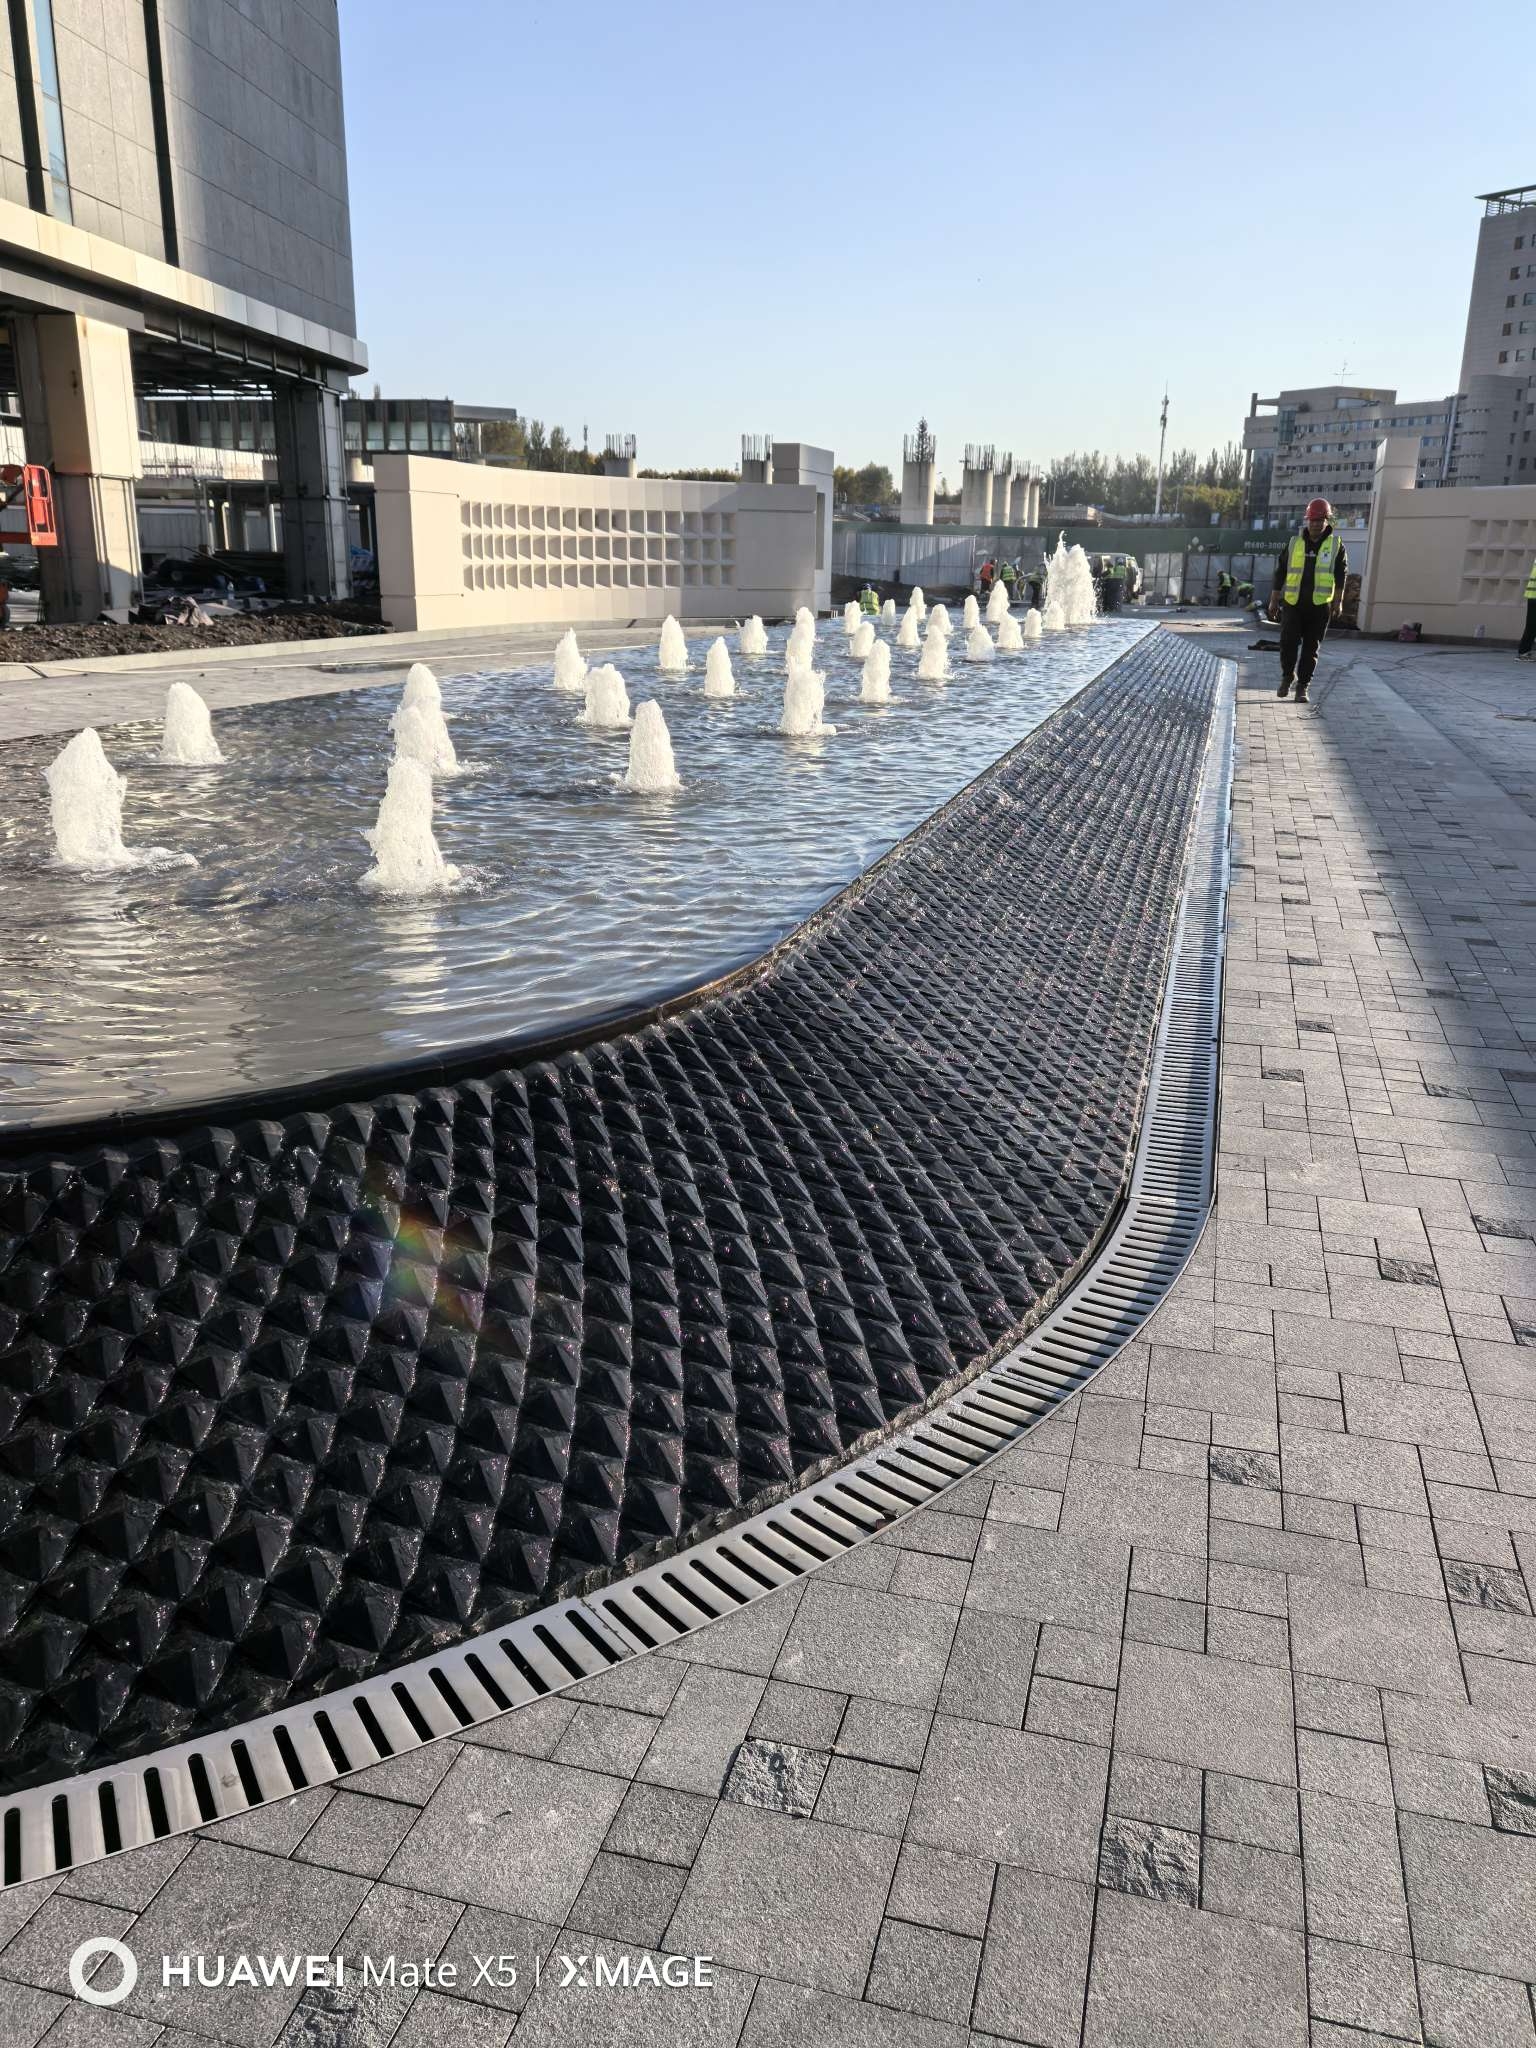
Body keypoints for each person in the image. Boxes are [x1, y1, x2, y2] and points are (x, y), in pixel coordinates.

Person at [1268, 498, 1347, 703]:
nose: (1315, 524)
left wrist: (1338, 601)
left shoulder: (1336, 546)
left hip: (1319, 606)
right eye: (1312, 520)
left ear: (1326, 521)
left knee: (1311, 649)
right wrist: (1274, 600)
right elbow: (1280, 572)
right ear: (1307, 521)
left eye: (1319, 520)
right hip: (1293, 604)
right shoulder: (1294, 544)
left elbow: (1341, 575)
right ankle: (1287, 676)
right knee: (1288, 643)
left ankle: (1302, 686)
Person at [1520, 552, 1536, 658]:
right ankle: (1523, 652)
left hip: (1532, 595)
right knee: (1532, 626)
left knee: (1531, 626)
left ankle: (1524, 652)